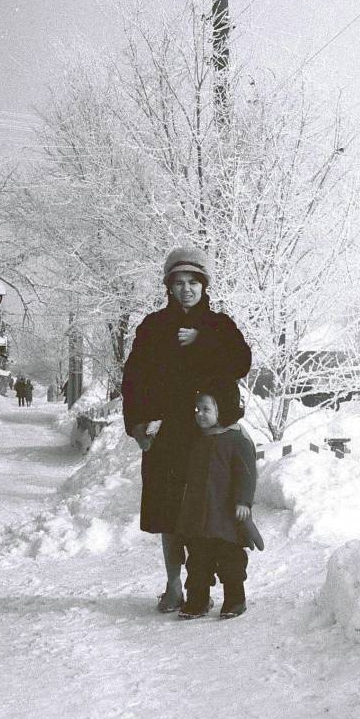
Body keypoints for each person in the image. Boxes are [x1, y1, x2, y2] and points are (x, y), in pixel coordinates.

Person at [121, 246, 252, 613]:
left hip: (207, 436)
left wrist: (203, 340)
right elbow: (133, 379)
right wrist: (138, 424)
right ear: (168, 287)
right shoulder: (153, 327)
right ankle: (175, 584)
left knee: (209, 511)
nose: (186, 289)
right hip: (167, 435)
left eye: (194, 281)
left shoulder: (219, 326)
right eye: (178, 283)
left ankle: (207, 584)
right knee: (169, 512)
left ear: (204, 285)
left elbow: (241, 363)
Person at [177, 381, 260, 620]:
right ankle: (198, 600)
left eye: (206, 409)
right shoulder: (197, 440)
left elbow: (246, 474)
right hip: (198, 516)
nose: (199, 414)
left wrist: (243, 501)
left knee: (230, 560)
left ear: (221, 410)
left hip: (226, 517)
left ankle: (235, 599)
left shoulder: (236, 440)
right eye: (197, 410)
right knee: (197, 561)